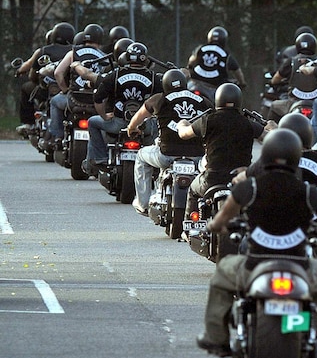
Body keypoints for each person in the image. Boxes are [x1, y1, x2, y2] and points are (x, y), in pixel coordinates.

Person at [196, 129, 317, 357]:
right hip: (300, 266)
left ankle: (216, 337)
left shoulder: (248, 188)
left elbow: (219, 223)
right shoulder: (308, 193)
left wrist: (217, 227)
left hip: (254, 265)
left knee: (221, 279)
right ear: (297, 156)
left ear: (264, 155)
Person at [233, 113, 317, 297]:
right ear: (309, 135)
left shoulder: (267, 162)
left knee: (245, 246)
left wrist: (237, 179)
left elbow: (244, 178)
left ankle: (242, 294)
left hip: (272, 230)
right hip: (310, 230)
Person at [177, 83, 274, 219]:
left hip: (211, 179)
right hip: (240, 180)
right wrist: (273, 127)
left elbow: (184, 134)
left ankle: (190, 225)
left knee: (193, 190)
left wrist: (182, 124)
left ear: (218, 99)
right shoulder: (247, 123)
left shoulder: (208, 121)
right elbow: (271, 139)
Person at [126, 69, 211, 217]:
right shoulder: (202, 100)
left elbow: (138, 117)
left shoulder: (159, 99)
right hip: (196, 156)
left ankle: (143, 204)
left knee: (140, 155)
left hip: (166, 155)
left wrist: (132, 128)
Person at [82, 42, 162, 177]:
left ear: (126, 57)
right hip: (145, 126)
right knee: (158, 128)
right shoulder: (154, 78)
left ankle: (100, 158)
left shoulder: (115, 74)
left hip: (118, 124)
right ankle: (157, 163)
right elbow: (163, 101)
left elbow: (98, 98)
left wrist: (104, 116)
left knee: (92, 122)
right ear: (145, 59)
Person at [49, 24, 109, 148]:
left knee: (54, 101)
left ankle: (58, 136)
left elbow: (58, 73)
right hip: (95, 103)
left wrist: (65, 90)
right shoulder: (106, 57)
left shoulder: (73, 52)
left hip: (73, 101)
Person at [14, 22, 75, 135]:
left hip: (46, 91)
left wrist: (19, 71)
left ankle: (29, 123)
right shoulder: (75, 50)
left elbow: (31, 76)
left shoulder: (43, 51)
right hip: (70, 90)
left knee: (25, 88)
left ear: (54, 35)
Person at [185, 26, 246, 102]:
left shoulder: (200, 49)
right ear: (224, 39)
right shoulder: (226, 55)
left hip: (195, 84)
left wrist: (189, 69)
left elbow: (191, 61)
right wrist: (242, 83)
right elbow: (237, 71)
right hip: (214, 88)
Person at [269, 32, 317, 120]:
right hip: (316, 103)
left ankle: (273, 131)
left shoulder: (291, 61)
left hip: (293, 102)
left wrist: (273, 82)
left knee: (274, 106)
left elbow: (276, 79)